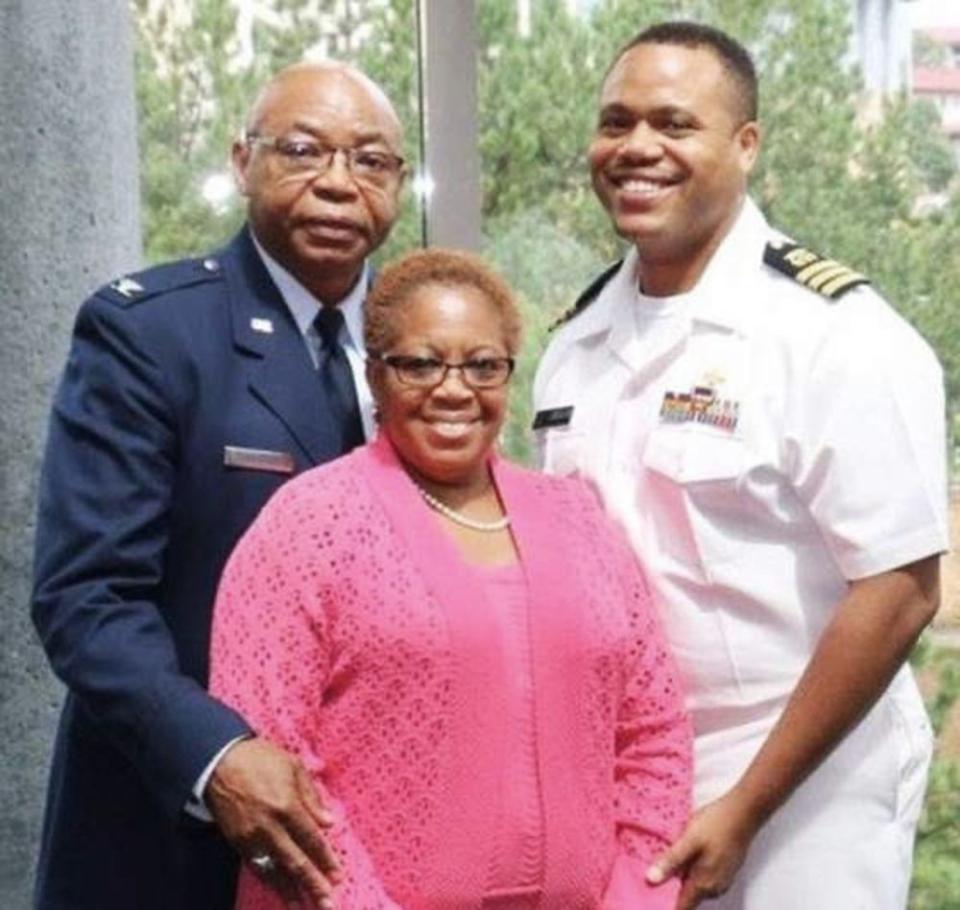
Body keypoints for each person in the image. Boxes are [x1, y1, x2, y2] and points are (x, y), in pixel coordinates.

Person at [533, 21, 947, 910]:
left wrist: (749, 804)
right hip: (634, 767)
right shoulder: (574, 346)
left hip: (811, 773)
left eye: (674, 124)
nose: (637, 147)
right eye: (616, 122)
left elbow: (902, 588)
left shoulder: (835, 336)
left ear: (745, 145)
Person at [208, 248, 693, 909]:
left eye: (482, 365)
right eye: (420, 363)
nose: (454, 388)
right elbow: (275, 761)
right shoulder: (306, 524)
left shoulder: (577, 518)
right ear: (374, 376)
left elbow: (653, 732)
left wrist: (637, 897)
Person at [30, 61, 406, 910]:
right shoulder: (151, 334)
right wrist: (215, 756)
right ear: (244, 162)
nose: (340, 185)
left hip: (373, 833)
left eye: (372, 161)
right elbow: (86, 598)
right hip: (174, 827)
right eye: (304, 151)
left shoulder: (419, 343)